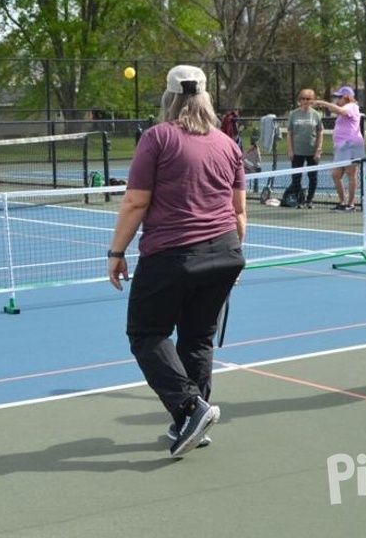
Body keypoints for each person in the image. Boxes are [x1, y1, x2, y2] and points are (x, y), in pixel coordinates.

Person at [106, 65, 246, 458]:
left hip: (172, 254)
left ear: (169, 97)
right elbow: (238, 212)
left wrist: (116, 253)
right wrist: (232, 253)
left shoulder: (157, 138)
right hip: (225, 252)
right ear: (205, 98)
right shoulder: (227, 144)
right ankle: (192, 424)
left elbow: (135, 201)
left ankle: (188, 408)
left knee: (146, 332)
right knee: (198, 338)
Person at [313, 86, 365, 210]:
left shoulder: (351, 106)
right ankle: (342, 202)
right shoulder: (345, 108)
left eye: (339, 97)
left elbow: (340, 111)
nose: (337, 99)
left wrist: (324, 103)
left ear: (346, 97)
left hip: (351, 145)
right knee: (336, 174)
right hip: (342, 147)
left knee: (350, 174)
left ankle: (351, 204)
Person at [284, 89, 324, 208]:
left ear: (312, 100)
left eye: (308, 99)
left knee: (313, 176)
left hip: (312, 151)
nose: (306, 101)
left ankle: (309, 200)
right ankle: (299, 200)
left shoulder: (316, 115)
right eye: (303, 99)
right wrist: (290, 150)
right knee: (296, 177)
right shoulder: (293, 114)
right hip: (297, 151)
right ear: (300, 100)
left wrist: (318, 150)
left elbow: (320, 133)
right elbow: (289, 133)